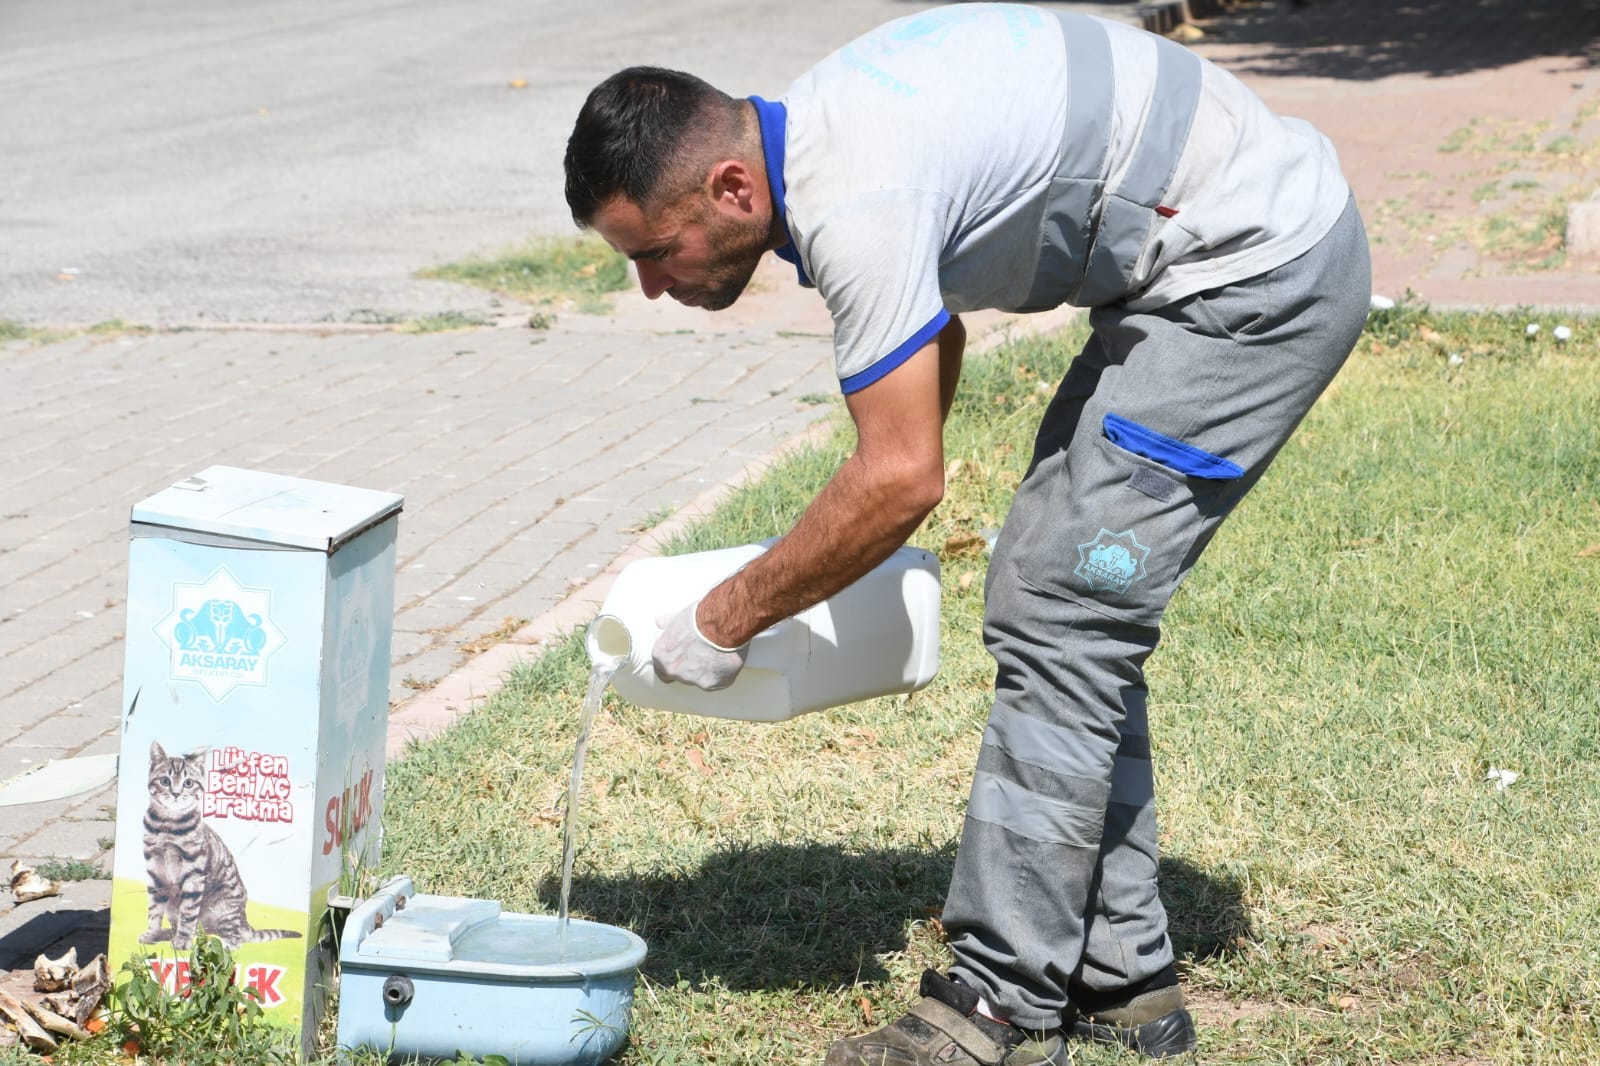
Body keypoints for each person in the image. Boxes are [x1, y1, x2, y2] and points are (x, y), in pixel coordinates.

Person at [563, 4, 1370, 1062]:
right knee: (1060, 593)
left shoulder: (856, 193)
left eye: (658, 252)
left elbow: (900, 477)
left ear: (730, 188)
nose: (653, 286)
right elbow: (927, 333)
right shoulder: (814, 142)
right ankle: (1122, 981)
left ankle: (996, 1002)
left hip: (1252, 280)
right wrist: (852, 524)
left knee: (1063, 606)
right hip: (1202, 262)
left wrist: (725, 618)